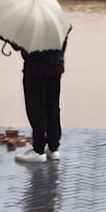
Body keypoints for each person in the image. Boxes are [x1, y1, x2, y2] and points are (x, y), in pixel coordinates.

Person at [14, 36, 67, 164]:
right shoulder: (56, 21)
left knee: (36, 107)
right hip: (56, 66)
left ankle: (38, 149)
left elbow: (18, 44)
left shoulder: (29, 24)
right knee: (53, 106)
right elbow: (63, 42)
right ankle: (53, 148)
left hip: (35, 69)